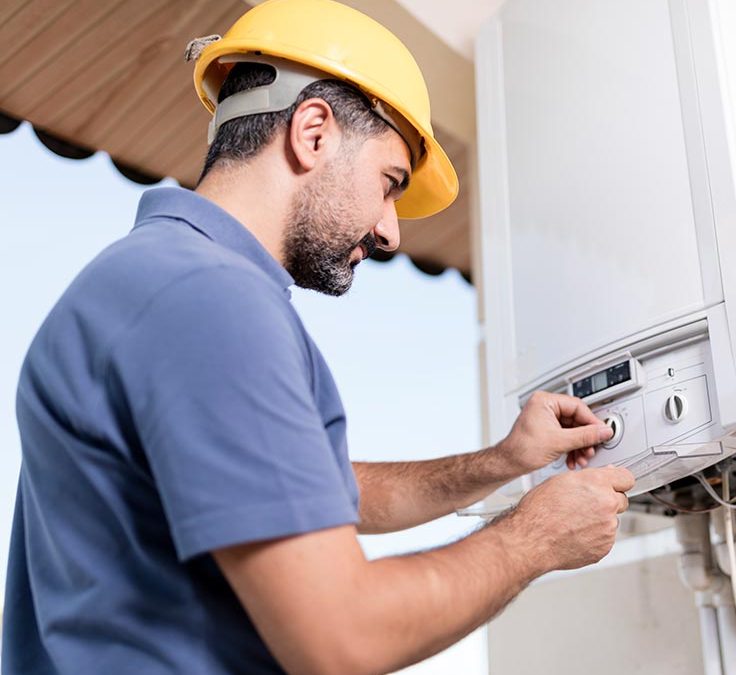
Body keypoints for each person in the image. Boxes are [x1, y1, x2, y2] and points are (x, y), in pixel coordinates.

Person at [2, 0, 635, 673]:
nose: (391, 231)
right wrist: (537, 537)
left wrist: (504, 461)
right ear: (312, 132)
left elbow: (308, 487)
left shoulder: (163, 282)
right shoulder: (207, 302)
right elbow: (341, 636)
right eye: (390, 183)